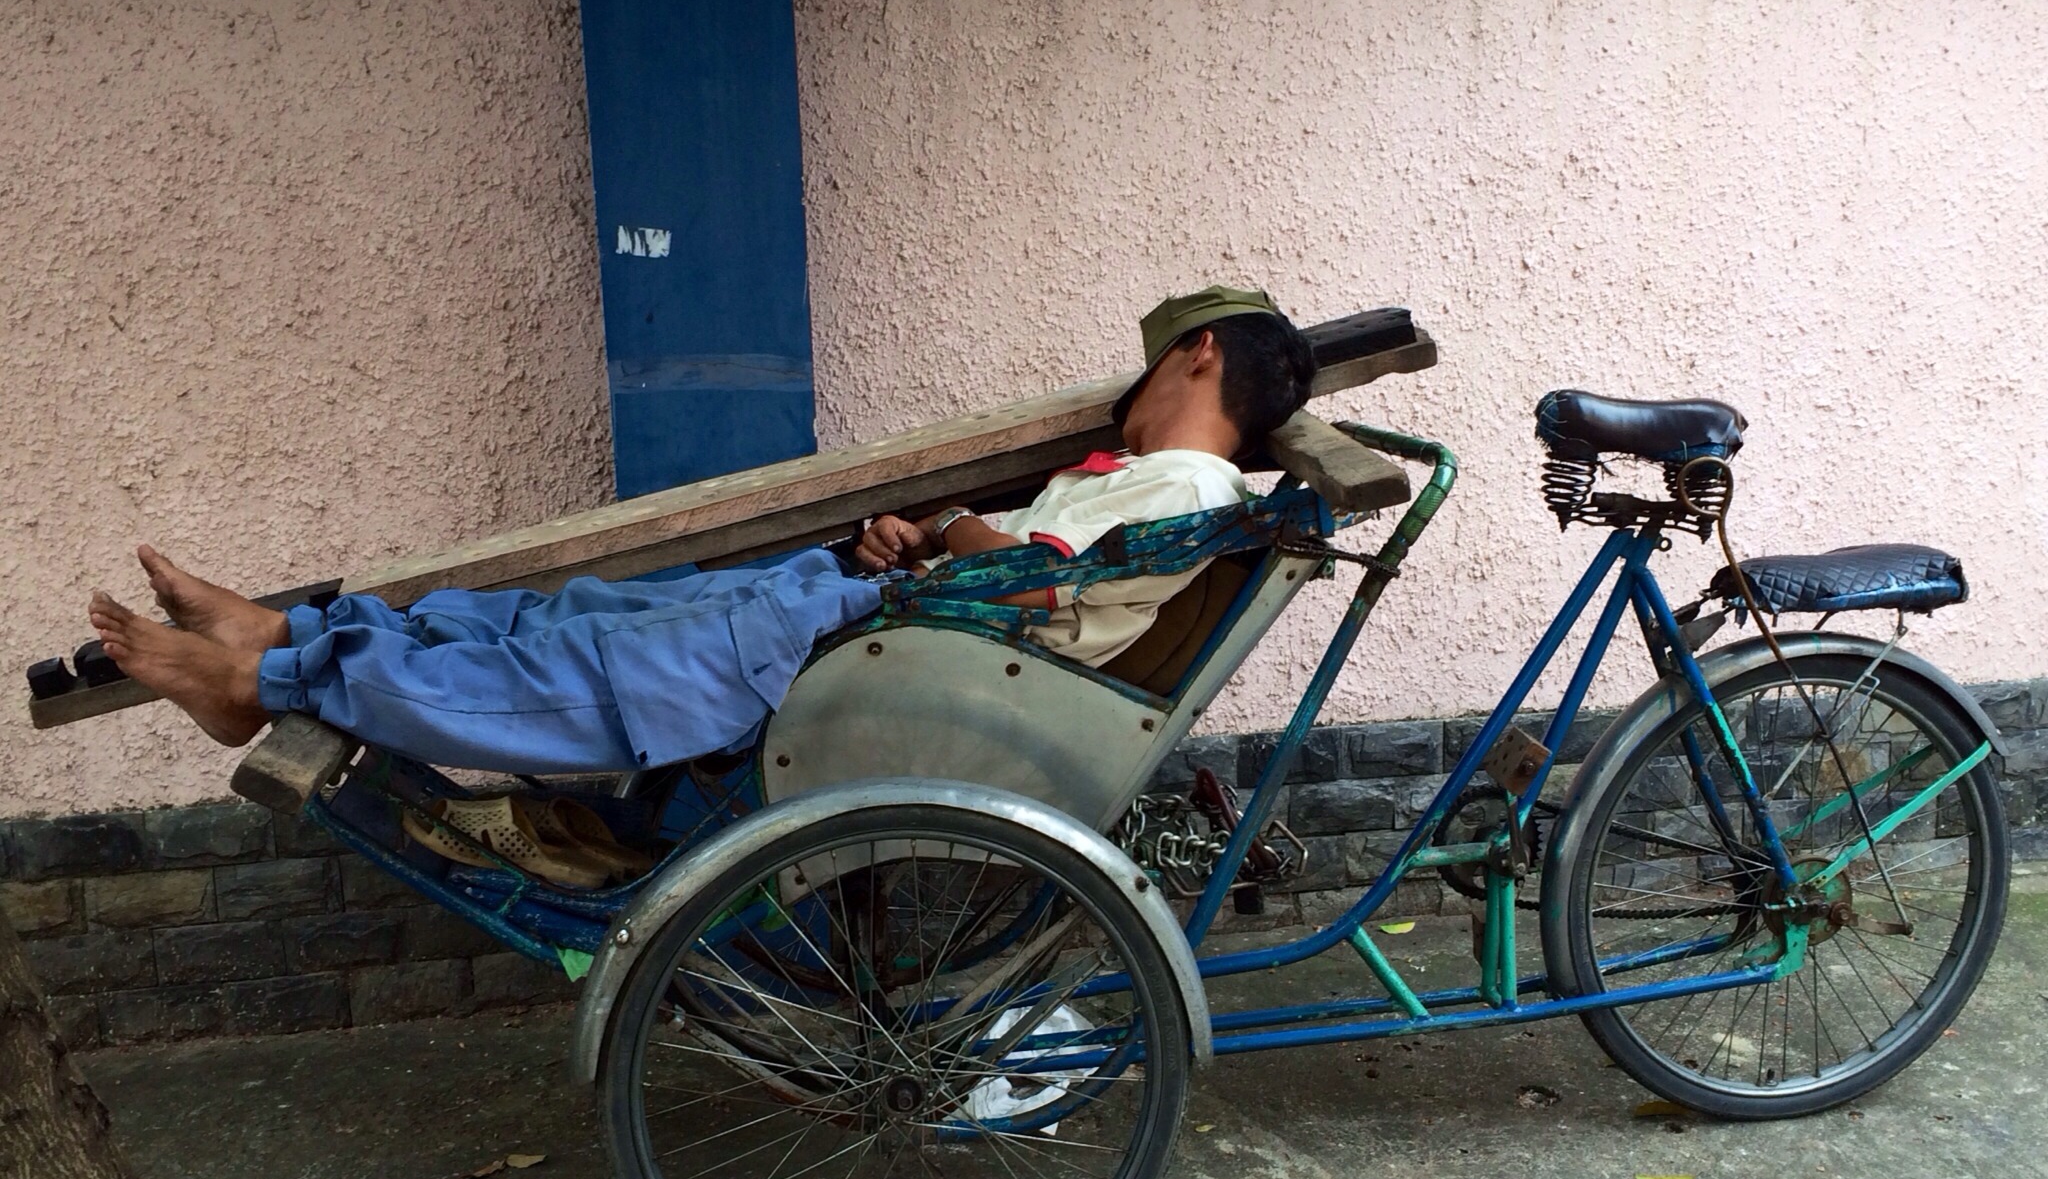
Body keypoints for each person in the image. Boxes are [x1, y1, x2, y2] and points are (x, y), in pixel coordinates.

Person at [86, 287, 1314, 776]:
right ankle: (291, 638)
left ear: (1196, 351)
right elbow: (1036, 577)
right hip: (888, 621)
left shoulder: (1182, 492)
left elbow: (1042, 594)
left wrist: (944, 524)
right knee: (575, 611)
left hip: (913, 655)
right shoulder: (1149, 480)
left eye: (1155, 359)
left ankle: (265, 680)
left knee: (586, 663)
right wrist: (921, 541)